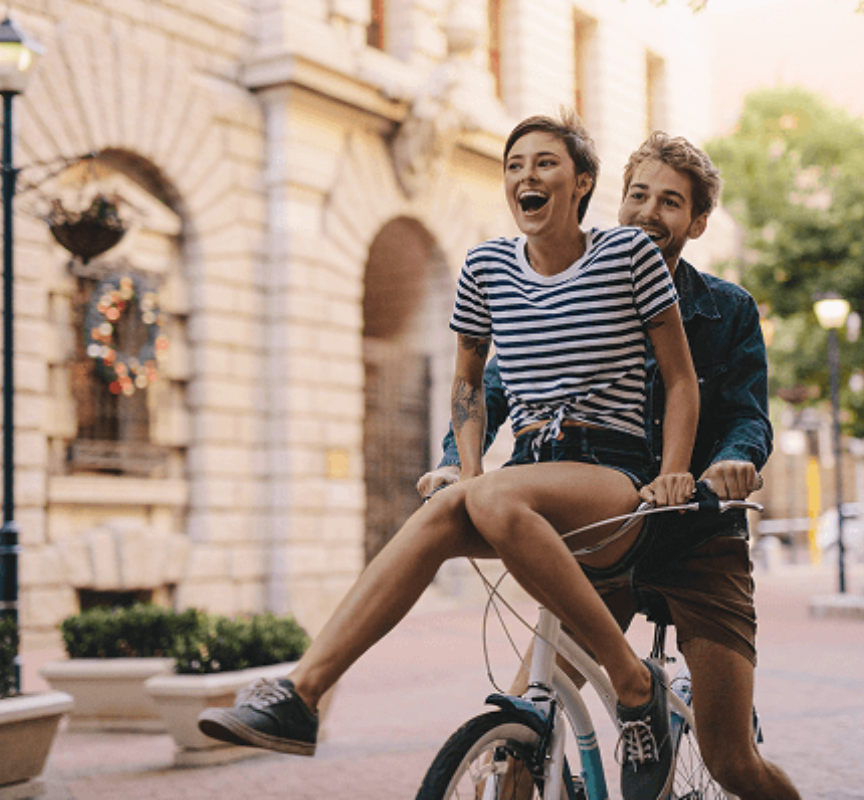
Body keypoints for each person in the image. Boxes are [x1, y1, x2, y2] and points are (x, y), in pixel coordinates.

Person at [199, 113, 698, 800]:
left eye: (546, 162)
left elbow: (678, 378)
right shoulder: (485, 267)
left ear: (581, 182)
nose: (527, 175)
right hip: (529, 471)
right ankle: (301, 694)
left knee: (490, 493)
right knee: (447, 507)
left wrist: (672, 471)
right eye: (515, 163)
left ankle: (634, 686)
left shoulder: (627, 257)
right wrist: (466, 471)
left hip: (613, 478)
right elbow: (468, 382)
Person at [421, 132, 801, 799]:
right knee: (523, 730)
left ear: (699, 222)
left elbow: (746, 415)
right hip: (603, 536)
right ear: (615, 200)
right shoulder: (572, 288)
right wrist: (458, 466)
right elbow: (497, 390)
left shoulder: (728, 310)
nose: (651, 212)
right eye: (639, 195)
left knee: (731, 759)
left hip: (696, 534)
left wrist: (732, 463)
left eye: (673, 202)